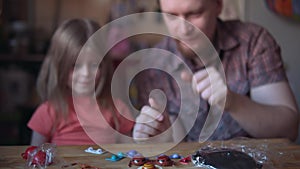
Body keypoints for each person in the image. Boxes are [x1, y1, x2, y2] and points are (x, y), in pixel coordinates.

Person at [133, 0, 299, 142]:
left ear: (218, 5)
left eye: (195, 13)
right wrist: (162, 135)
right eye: (171, 16)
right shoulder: (153, 65)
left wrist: (234, 103)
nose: (184, 29)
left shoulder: (253, 42)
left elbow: (288, 130)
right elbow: (167, 145)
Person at [28, 18, 134, 146]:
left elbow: (130, 156)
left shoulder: (118, 110)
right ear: (59, 66)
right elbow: (35, 160)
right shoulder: (48, 112)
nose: (86, 74)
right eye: (75, 65)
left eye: (94, 64)